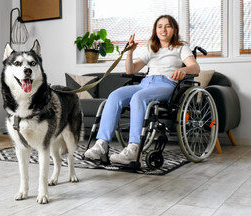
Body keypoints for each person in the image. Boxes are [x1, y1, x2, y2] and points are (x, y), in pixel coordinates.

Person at [84, 15, 200, 165]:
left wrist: (184, 70)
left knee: (138, 97)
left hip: (166, 84)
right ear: (155, 30)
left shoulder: (181, 48)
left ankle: (134, 148)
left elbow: (195, 67)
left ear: (174, 29)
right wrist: (130, 52)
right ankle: (101, 145)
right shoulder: (152, 48)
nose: (163, 29)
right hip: (145, 83)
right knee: (115, 96)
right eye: (159, 26)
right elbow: (130, 70)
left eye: (167, 26)